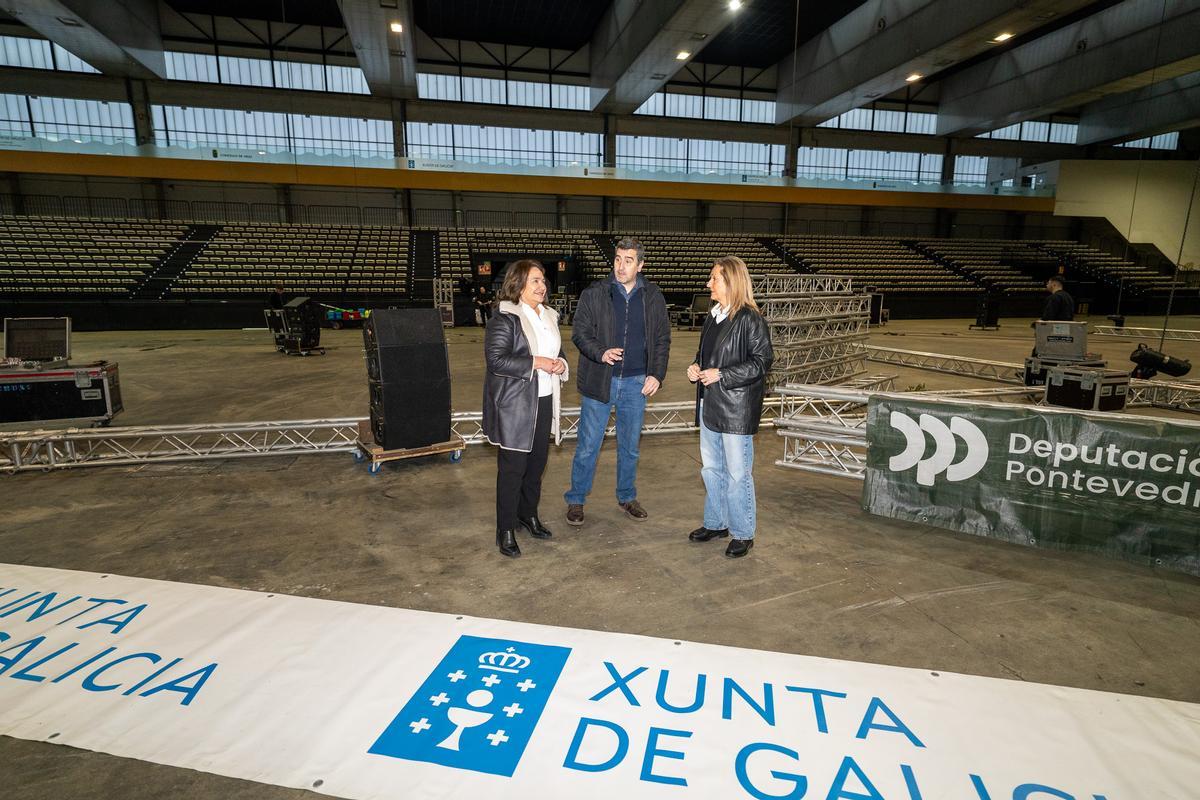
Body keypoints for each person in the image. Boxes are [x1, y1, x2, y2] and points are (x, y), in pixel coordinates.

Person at [564, 236, 671, 526]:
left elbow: (662, 339)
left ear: (640, 265)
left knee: (630, 447)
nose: (621, 266)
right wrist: (601, 352)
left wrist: (656, 374)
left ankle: (626, 496)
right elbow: (580, 333)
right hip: (601, 380)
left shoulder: (653, 296)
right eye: (617, 259)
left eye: (628, 261)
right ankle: (576, 499)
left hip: (637, 383)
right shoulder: (595, 293)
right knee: (588, 445)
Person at [686, 256, 773, 559]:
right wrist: (696, 366)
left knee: (737, 474)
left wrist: (722, 375)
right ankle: (716, 523)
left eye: (714, 278)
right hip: (710, 404)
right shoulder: (713, 317)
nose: (708, 283)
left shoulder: (751, 319)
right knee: (712, 470)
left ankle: (743, 532)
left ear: (731, 281)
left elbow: (762, 362)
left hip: (736, 410)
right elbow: (706, 356)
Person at [482, 260, 569, 559]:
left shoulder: (549, 316)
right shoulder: (505, 318)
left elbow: (558, 351)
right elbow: (496, 360)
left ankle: (527, 515)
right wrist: (537, 362)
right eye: (535, 281)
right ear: (518, 285)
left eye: (543, 280)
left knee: (536, 466)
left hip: (544, 400)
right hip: (516, 405)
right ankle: (505, 528)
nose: (542, 286)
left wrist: (561, 363)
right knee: (513, 469)